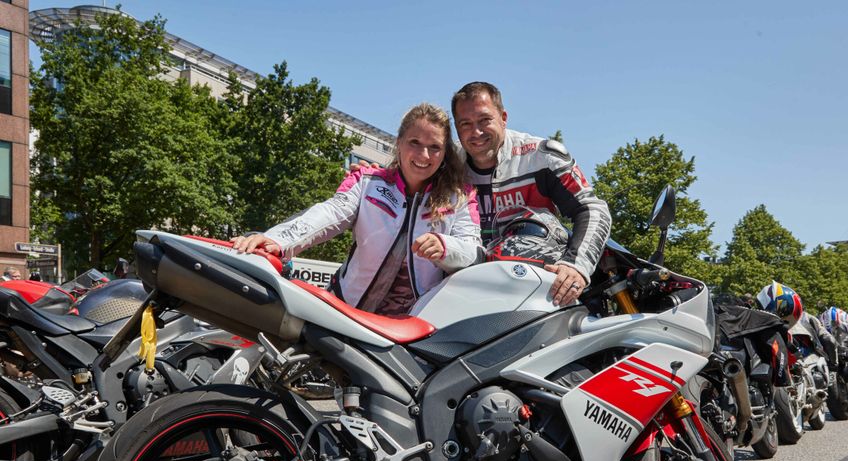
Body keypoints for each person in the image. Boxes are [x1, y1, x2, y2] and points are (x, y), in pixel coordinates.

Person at [233, 103, 481, 316]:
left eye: (434, 147)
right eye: (414, 142)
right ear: (399, 143)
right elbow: (329, 214)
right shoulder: (367, 181)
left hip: (412, 326)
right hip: (345, 309)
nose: (423, 154)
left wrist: (445, 247)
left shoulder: (461, 198)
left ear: (445, 152)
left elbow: (473, 252)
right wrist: (277, 240)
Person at [450, 82, 612, 307]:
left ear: (503, 117)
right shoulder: (446, 164)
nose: (476, 132)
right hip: (464, 288)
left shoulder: (541, 156)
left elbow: (592, 208)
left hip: (536, 288)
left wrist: (576, 265)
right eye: (465, 124)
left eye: (484, 120)